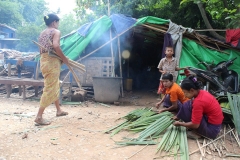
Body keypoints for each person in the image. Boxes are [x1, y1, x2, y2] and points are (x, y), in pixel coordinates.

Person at [34, 13, 69, 125]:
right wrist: (64, 59)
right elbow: (56, 46)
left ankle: (58, 110)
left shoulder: (42, 33)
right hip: (52, 62)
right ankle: (39, 116)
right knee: (50, 87)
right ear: (54, 22)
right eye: (57, 22)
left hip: (43, 61)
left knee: (54, 84)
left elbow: (41, 50)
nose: (58, 25)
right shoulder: (56, 32)